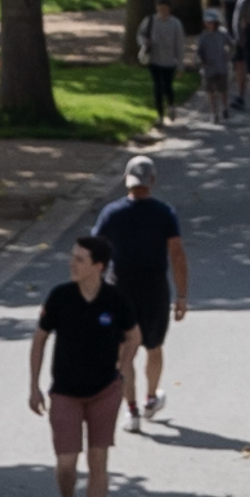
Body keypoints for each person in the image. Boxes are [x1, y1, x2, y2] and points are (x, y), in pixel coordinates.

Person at [33, 223, 127, 497]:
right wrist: (34, 385)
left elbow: (135, 335)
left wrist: (122, 370)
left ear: (98, 267)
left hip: (104, 390)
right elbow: (40, 339)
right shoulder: (60, 297)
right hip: (65, 392)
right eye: (72, 258)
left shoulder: (114, 299)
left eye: (80, 260)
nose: (72, 264)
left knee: (98, 460)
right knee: (66, 464)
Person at [96, 152, 189, 427]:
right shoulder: (164, 213)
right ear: (153, 181)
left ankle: (132, 410)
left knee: (124, 350)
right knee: (154, 345)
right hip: (154, 287)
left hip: (120, 286)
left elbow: (95, 248)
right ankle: (150, 398)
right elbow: (177, 254)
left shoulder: (111, 213)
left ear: (127, 180)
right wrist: (182, 295)